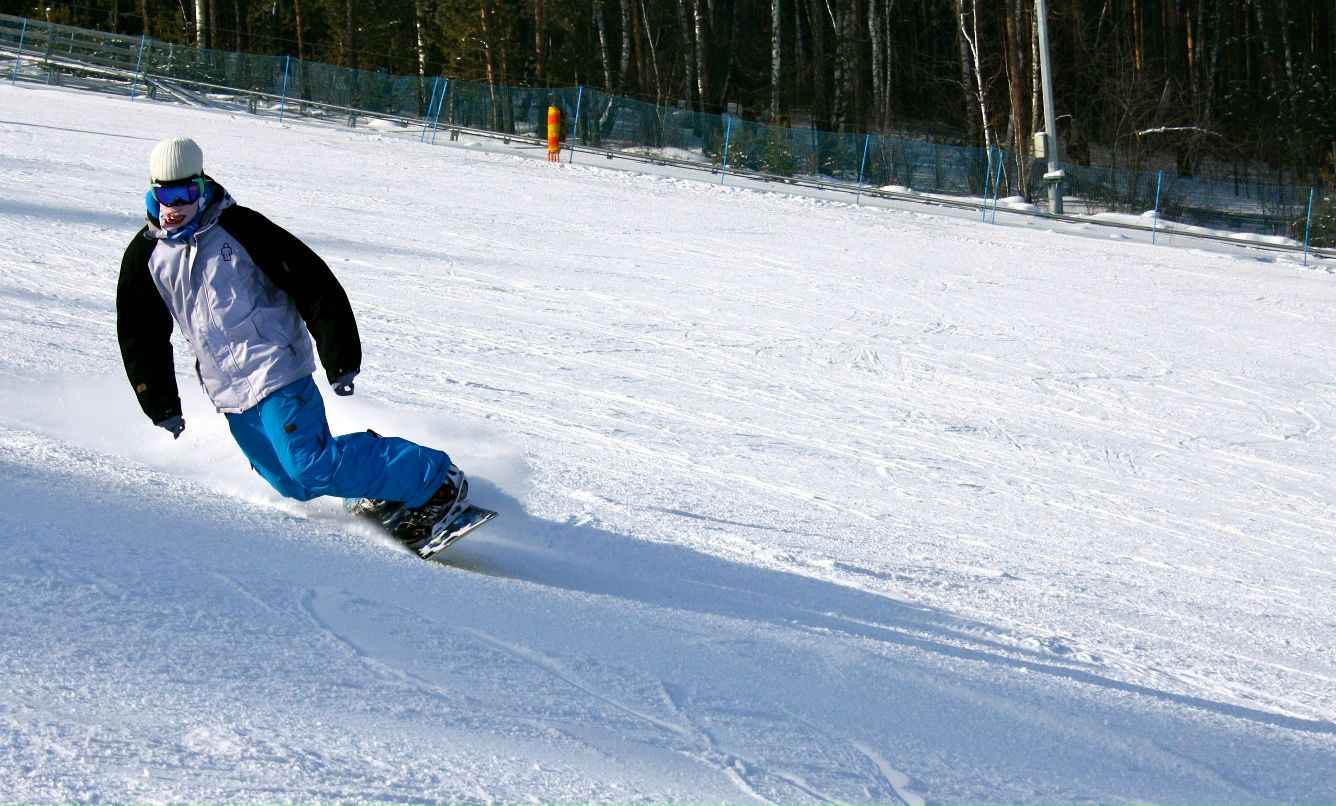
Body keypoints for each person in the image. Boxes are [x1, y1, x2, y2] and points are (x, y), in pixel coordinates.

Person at [116, 136, 469, 551]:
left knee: (309, 466)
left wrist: (340, 356)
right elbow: (141, 335)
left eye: (185, 193)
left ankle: (433, 479)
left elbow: (312, 281)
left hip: (276, 367)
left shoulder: (241, 228)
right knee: (291, 483)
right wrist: (160, 404)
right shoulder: (146, 257)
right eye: (164, 195)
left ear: (201, 185)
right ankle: (375, 483)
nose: (173, 206)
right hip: (227, 390)